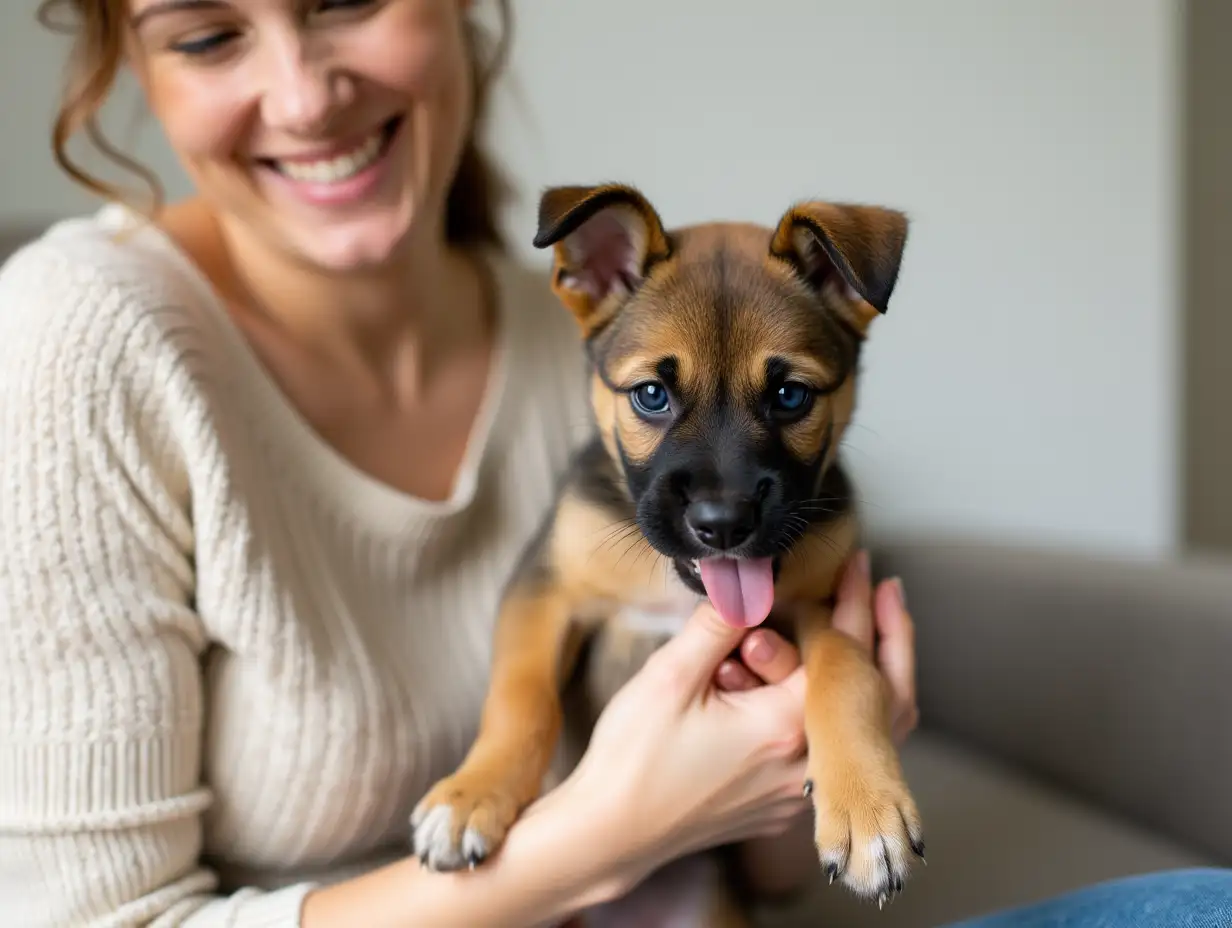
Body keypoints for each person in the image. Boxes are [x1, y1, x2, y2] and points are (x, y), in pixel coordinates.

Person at [1, 3, 1227, 927]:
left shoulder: (564, 333)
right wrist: (582, 820)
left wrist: (819, 759)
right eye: (210, 33)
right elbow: (548, 611)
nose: (303, 93)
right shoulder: (81, 338)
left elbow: (771, 859)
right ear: (128, 68)